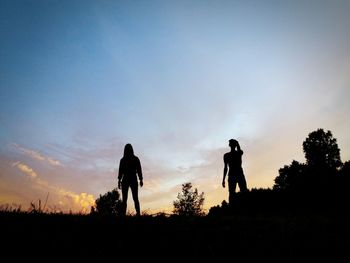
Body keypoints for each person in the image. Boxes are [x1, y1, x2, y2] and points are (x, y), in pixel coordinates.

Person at [118, 143, 143, 216]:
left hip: (131, 179)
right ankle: (126, 214)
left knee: (134, 198)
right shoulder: (124, 160)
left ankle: (138, 213)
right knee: (126, 199)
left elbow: (139, 170)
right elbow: (120, 171)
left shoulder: (133, 159)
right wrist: (119, 181)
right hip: (127, 179)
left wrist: (141, 179)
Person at [222, 139, 248, 204]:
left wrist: (237, 143)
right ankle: (233, 208)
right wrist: (223, 179)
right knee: (232, 193)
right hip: (232, 175)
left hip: (239, 174)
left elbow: (240, 150)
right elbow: (225, 168)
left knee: (243, 191)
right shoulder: (226, 155)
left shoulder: (238, 153)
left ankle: (245, 208)